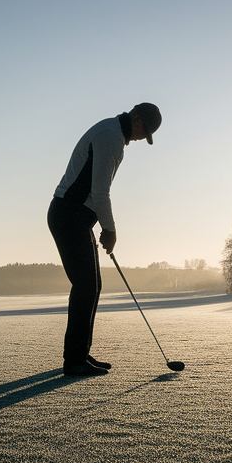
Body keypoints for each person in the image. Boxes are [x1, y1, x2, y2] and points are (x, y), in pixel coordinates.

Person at [48, 102, 162, 376]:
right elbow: (100, 191)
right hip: (69, 215)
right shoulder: (111, 136)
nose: (139, 139)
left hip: (75, 216)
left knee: (92, 285)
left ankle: (80, 354)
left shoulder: (112, 131)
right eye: (143, 131)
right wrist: (110, 230)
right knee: (86, 286)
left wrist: (101, 225)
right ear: (136, 119)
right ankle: (74, 361)